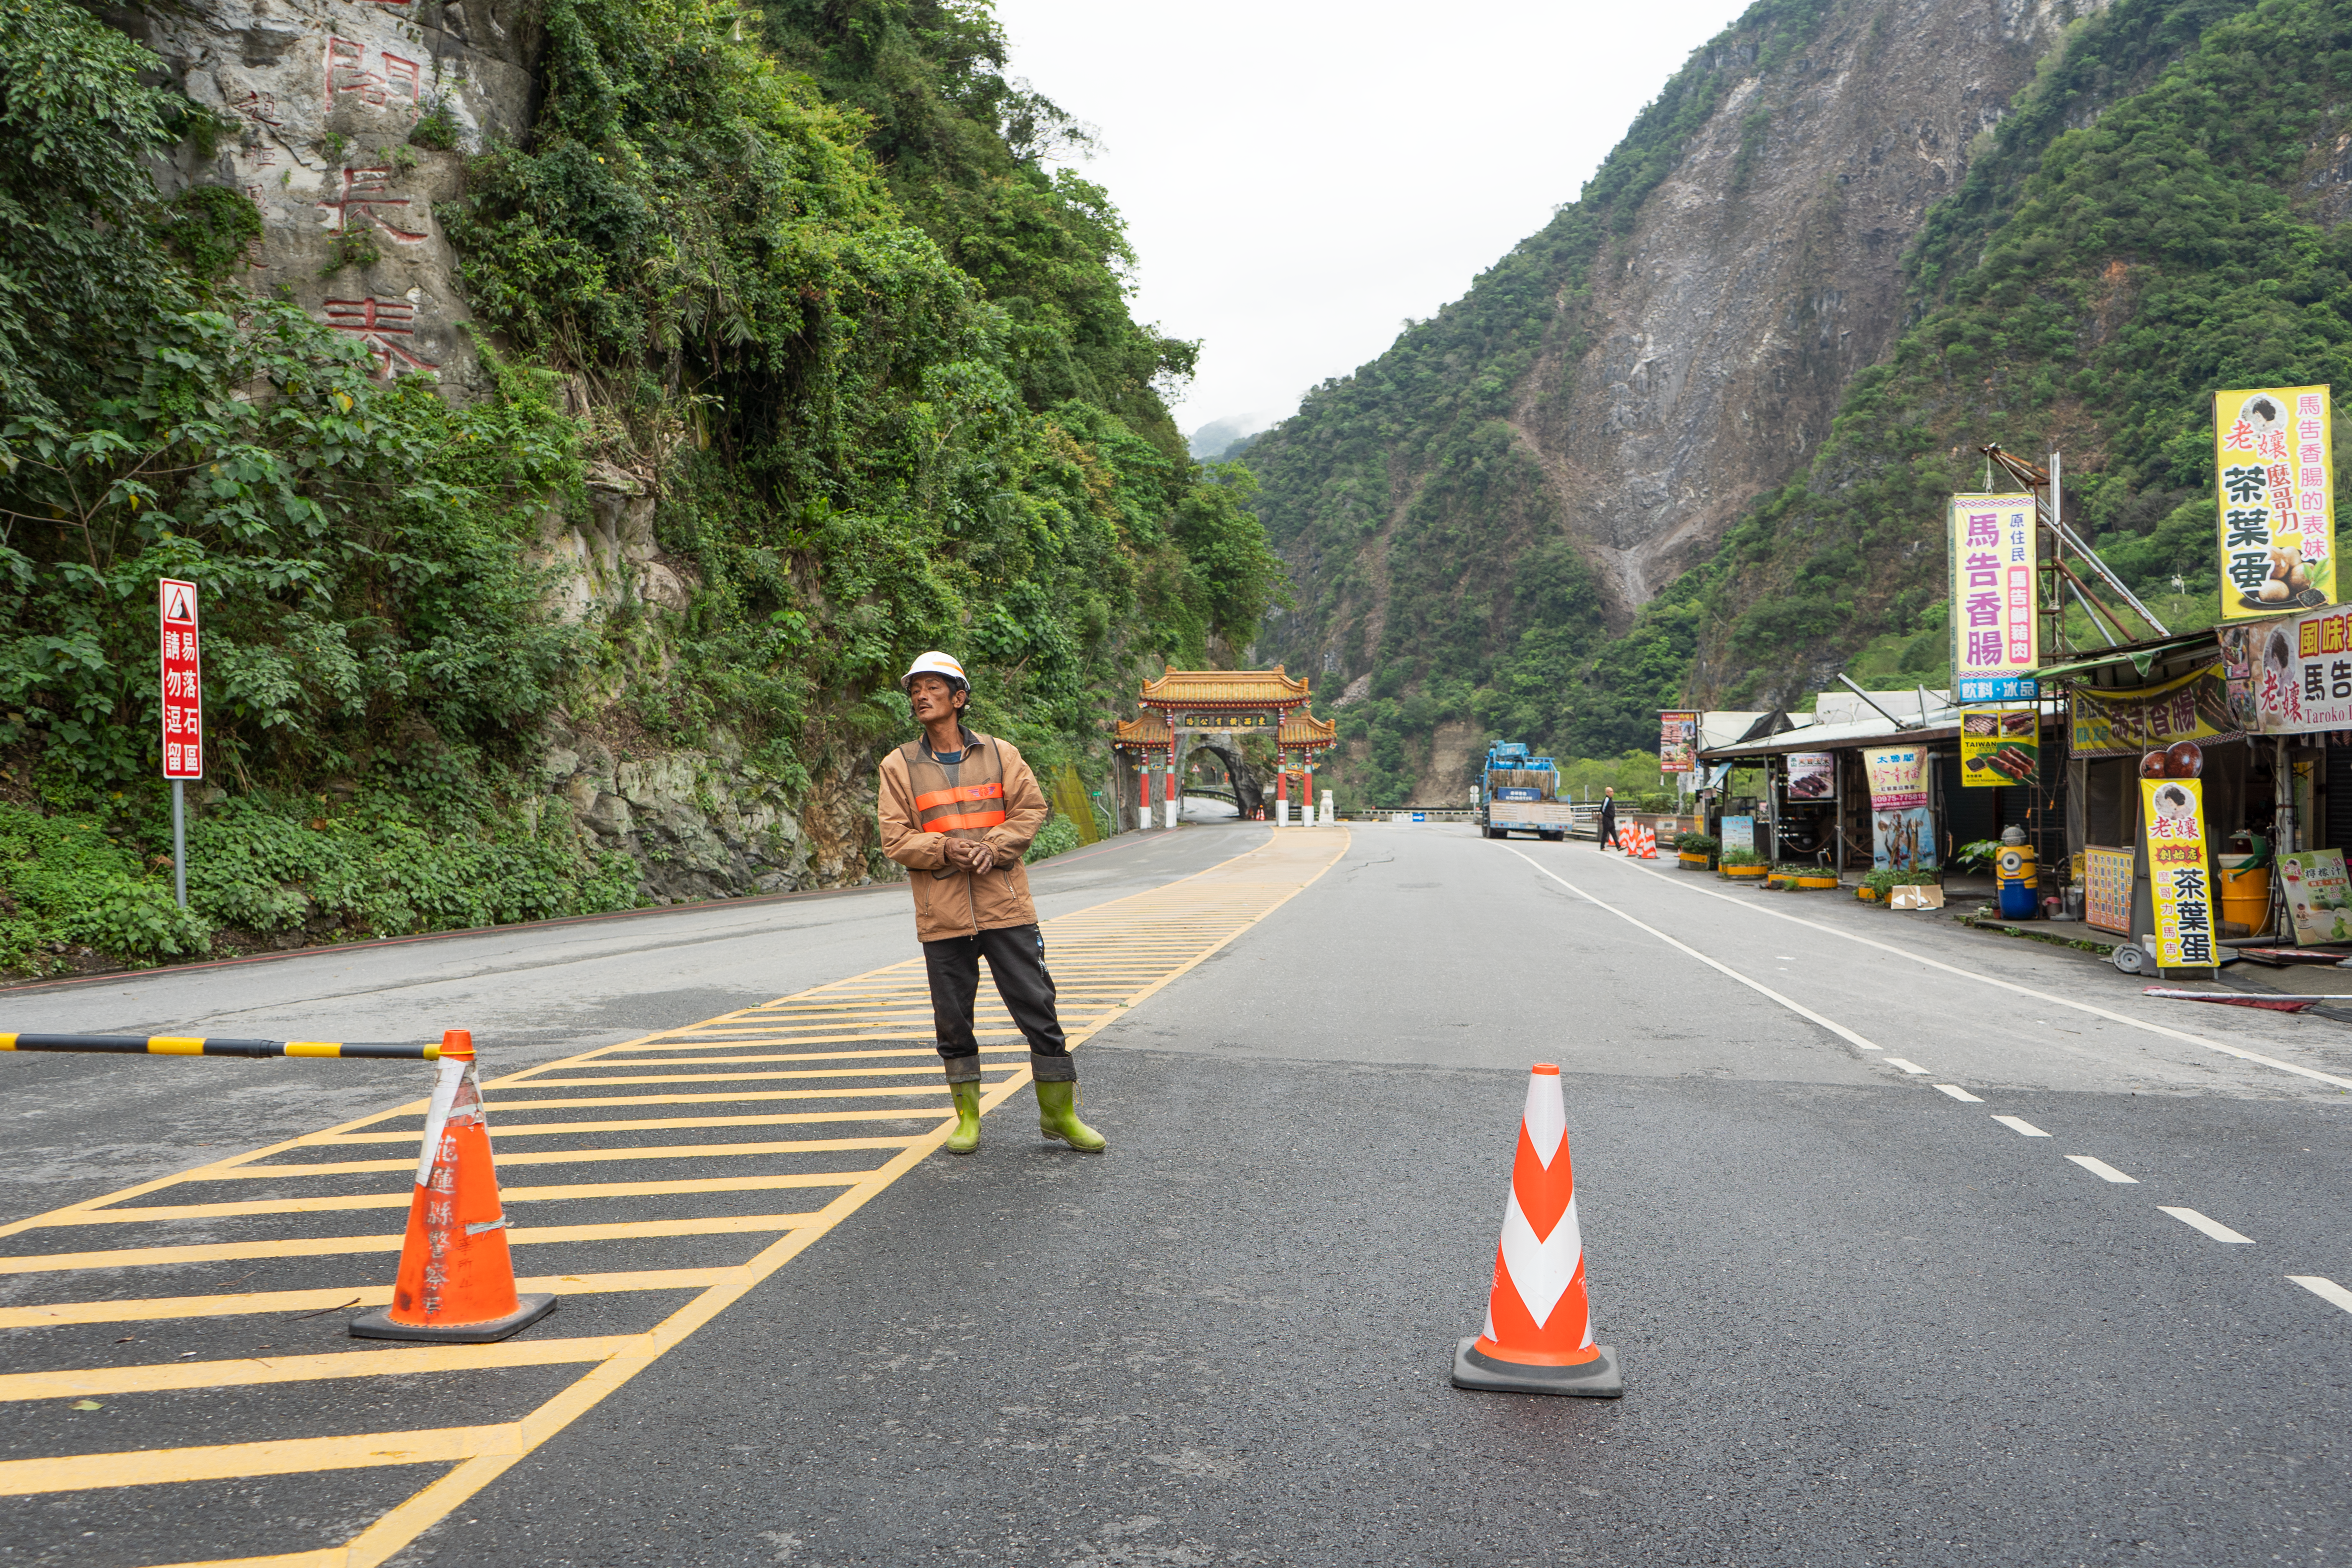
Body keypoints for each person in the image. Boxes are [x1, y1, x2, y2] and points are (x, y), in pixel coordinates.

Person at [878, 651, 1106, 1156]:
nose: (920, 696)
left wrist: (992, 846)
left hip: (1006, 907)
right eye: (915, 689)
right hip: (943, 914)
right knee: (953, 1019)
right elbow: (894, 837)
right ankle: (967, 1118)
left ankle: (1060, 1115)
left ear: (959, 698)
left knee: (1038, 1008)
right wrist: (945, 848)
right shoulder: (898, 765)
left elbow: (1030, 809)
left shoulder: (1001, 754)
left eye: (932, 687)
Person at [1597, 785, 1618, 852]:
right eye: (1611, 792)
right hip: (1607, 819)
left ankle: (1619, 846)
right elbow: (1602, 809)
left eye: (1613, 791)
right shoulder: (1607, 800)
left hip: (1611, 819)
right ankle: (1602, 847)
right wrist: (1607, 815)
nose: (1612, 793)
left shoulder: (1611, 800)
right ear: (1607, 793)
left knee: (1614, 833)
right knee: (1605, 833)